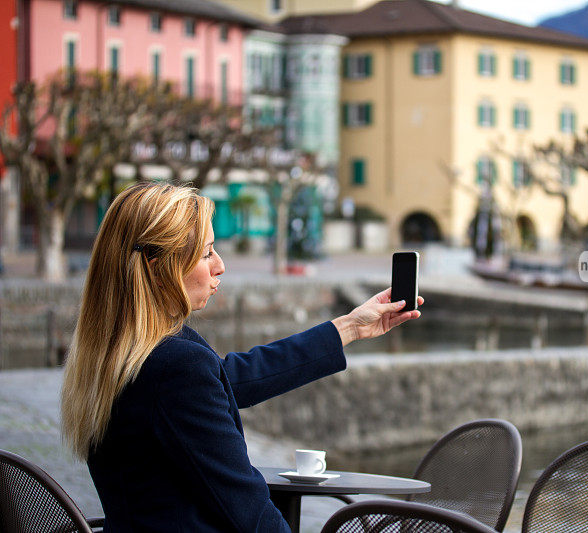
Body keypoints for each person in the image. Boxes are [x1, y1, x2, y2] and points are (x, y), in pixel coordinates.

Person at [60, 182, 423, 532]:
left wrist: (349, 328)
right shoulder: (176, 367)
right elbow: (247, 510)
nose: (220, 265)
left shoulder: (119, 355)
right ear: (158, 269)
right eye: (206, 253)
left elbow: (233, 377)